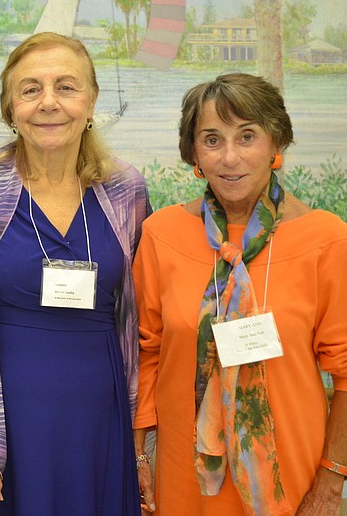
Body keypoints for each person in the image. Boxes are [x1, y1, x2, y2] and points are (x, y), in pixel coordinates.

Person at [0, 32, 150, 515]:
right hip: (2, 421)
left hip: (98, 417)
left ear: (91, 101)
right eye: (30, 89)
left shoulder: (125, 189)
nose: (49, 102)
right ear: (9, 108)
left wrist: (141, 439)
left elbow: (140, 318)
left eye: (66, 87)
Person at [133, 73, 347, 515]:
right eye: (212, 139)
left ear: (276, 145)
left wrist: (331, 480)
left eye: (246, 136)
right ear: (194, 153)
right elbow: (145, 355)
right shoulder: (161, 234)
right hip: (183, 472)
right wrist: (140, 456)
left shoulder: (326, 239)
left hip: (290, 476)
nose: (230, 157)